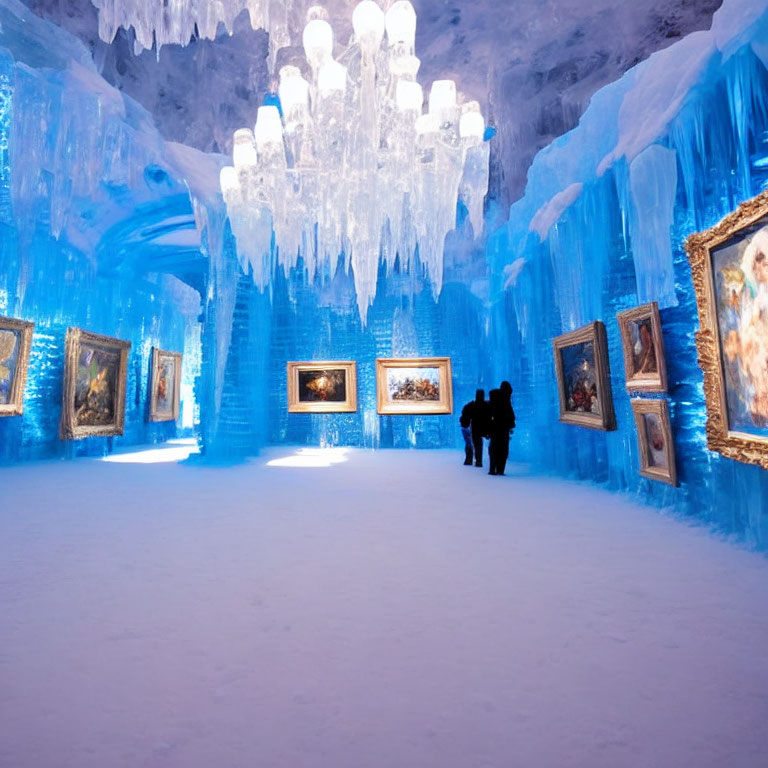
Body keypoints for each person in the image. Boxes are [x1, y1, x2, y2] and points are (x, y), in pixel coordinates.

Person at [488, 381, 516, 476]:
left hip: (495, 427)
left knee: (494, 448)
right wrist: (511, 424)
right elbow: (509, 412)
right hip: (503, 428)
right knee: (503, 449)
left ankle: (493, 469)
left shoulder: (494, 397)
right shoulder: (505, 399)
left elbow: (490, 413)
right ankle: (500, 469)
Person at [459, 389, 489, 466]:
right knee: (477, 444)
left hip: (474, 427)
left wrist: (465, 424)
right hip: (479, 427)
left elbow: (465, 416)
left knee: (472, 443)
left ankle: (470, 460)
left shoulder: (471, 405)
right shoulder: (486, 405)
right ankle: (477, 461)